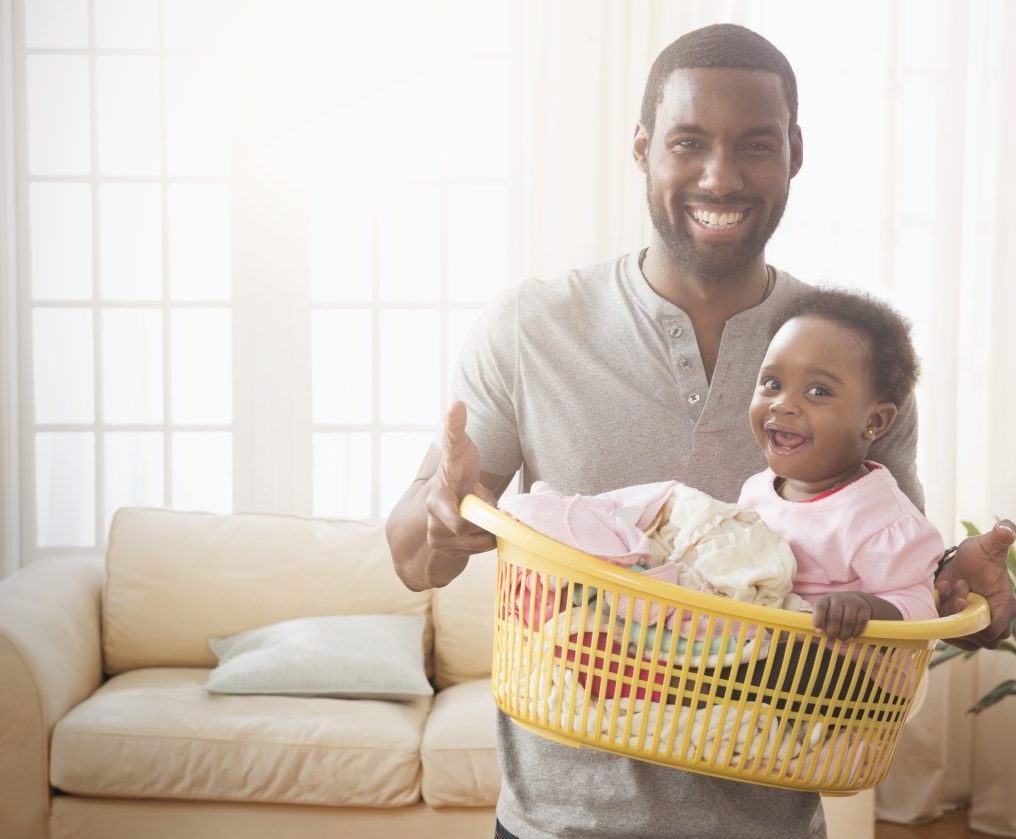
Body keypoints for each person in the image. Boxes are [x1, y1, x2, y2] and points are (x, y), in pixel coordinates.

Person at [387, 22, 1016, 839]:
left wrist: (973, 596)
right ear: (643, 148)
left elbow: (903, 590)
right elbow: (409, 558)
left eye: (756, 144)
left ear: (795, 151)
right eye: (688, 142)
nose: (721, 177)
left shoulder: (857, 364)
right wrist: (442, 518)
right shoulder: (532, 328)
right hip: (558, 823)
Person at [740, 288, 940, 640]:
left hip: (848, 677)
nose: (782, 404)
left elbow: (923, 610)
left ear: (875, 422)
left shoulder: (880, 521)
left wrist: (867, 608)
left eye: (818, 391)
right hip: (754, 660)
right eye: (772, 383)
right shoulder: (757, 490)